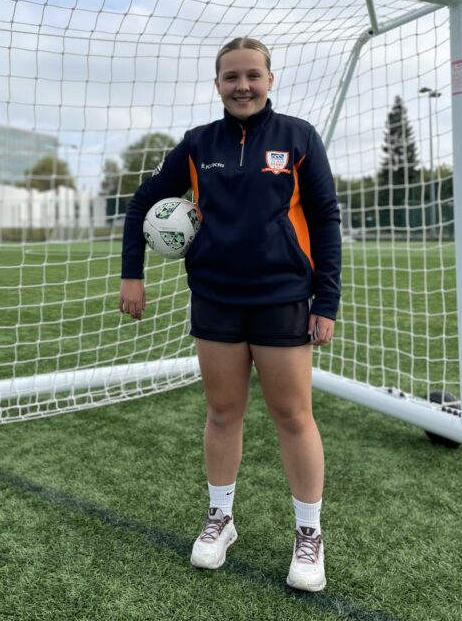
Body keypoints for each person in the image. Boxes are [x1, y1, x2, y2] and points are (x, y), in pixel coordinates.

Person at [119, 37, 341, 592]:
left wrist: (327, 301)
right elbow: (141, 203)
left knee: (293, 416)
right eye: (230, 77)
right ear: (216, 84)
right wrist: (133, 274)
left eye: (252, 76)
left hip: (283, 297)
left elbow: (327, 219)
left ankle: (309, 534)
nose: (242, 86)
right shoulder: (196, 145)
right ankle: (220, 518)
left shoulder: (299, 138)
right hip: (216, 296)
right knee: (222, 413)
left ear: (270, 79)